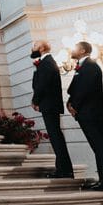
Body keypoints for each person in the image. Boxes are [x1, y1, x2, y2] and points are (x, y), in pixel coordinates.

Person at [66, 41, 103, 191]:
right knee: (97, 147)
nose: (72, 50)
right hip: (86, 112)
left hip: (91, 112)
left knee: (100, 146)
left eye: (74, 48)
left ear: (82, 50)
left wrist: (74, 105)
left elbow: (86, 89)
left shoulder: (90, 66)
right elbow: (74, 89)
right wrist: (70, 102)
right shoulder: (83, 66)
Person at [31, 40, 73, 179]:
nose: (32, 48)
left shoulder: (47, 63)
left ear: (42, 48)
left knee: (56, 137)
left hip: (49, 104)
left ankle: (64, 170)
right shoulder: (45, 62)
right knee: (56, 137)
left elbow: (43, 85)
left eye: (35, 46)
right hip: (49, 104)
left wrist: (35, 101)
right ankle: (63, 168)